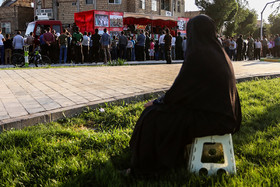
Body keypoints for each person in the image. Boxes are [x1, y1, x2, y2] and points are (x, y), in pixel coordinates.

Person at [128, 14, 241, 176]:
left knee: (153, 115)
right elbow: (189, 90)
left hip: (213, 119)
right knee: (160, 113)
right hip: (223, 115)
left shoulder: (199, 54)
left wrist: (158, 102)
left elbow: (180, 91)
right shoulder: (217, 52)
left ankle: (146, 166)